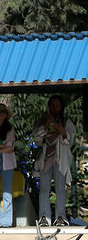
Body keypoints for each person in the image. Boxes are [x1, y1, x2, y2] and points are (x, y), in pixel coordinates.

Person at [32, 95, 76, 226]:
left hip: (60, 158)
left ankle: (61, 218)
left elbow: (70, 140)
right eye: (52, 105)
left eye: (57, 106)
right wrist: (46, 126)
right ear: (48, 106)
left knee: (60, 189)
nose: (54, 108)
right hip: (45, 158)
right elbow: (37, 140)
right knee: (44, 189)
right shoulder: (42, 120)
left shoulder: (66, 121)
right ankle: (44, 218)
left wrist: (61, 129)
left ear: (61, 107)